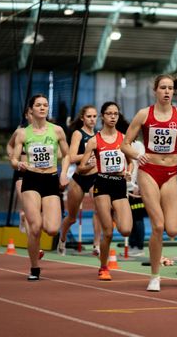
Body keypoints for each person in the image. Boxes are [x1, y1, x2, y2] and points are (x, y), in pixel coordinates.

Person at [121, 75, 177, 292]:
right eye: (163, 88)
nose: (167, 92)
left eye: (170, 88)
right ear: (155, 91)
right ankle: (155, 276)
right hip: (148, 171)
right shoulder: (144, 114)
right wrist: (136, 154)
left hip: (170, 173)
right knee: (158, 225)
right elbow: (125, 144)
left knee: (172, 230)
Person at [10, 94, 70, 280]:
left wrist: (63, 173)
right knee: (35, 228)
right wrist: (18, 164)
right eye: (38, 105)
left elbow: (67, 155)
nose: (43, 108)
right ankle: (34, 268)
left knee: (52, 229)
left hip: (51, 179)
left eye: (45, 105)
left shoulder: (57, 130)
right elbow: (13, 157)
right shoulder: (22, 133)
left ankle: (36, 213)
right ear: (31, 110)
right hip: (31, 179)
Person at [79, 101, 133, 281]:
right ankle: (103, 267)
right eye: (109, 113)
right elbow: (80, 167)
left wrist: (129, 172)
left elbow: (131, 161)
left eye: (115, 114)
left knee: (125, 230)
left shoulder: (124, 138)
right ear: (103, 116)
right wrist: (89, 164)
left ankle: (115, 214)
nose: (112, 117)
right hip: (102, 184)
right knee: (108, 232)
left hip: (119, 184)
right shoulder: (94, 140)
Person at [57, 105, 99, 256]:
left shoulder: (99, 135)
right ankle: (62, 239)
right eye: (89, 116)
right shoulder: (78, 134)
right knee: (72, 218)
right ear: (82, 118)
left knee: (100, 209)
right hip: (79, 178)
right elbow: (72, 157)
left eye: (94, 116)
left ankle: (97, 244)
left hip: (95, 177)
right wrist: (89, 153)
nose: (92, 119)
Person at [6, 106, 44, 260]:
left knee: (37, 214)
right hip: (22, 177)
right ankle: (36, 247)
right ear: (27, 115)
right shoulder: (20, 132)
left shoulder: (44, 133)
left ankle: (23, 217)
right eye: (29, 114)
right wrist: (12, 158)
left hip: (40, 177)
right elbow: (9, 145)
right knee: (30, 213)